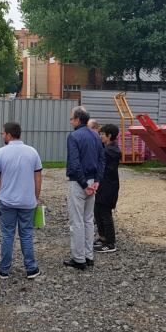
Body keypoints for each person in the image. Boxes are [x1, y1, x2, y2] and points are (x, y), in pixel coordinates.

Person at [0, 122, 42, 280]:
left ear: (8, 134)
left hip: (6, 201)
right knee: (26, 234)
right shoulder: (32, 152)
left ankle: (4, 269)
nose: (2, 136)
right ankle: (31, 268)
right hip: (27, 201)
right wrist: (36, 196)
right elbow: (38, 177)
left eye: (3, 133)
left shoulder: (0, 153)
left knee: (7, 235)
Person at [64, 106, 105, 270]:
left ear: (77, 119)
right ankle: (89, 256)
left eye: (72, 118)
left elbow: (74, 163)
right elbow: (102, 160)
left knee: (77, 221)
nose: (71, 121)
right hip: (92, 182)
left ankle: (79, 258)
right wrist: (96, 181)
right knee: (88, 220)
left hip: (78, 182)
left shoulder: (73, 136)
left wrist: (82, 183)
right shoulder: (96, 136)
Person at [94, 124, 121, 253]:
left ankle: (110, 243)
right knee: (97, 210)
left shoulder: (112, 150)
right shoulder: (107, 148)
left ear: (109, 136)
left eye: (102, 135)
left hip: (109, 186)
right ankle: (102, 237)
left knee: (105, 213)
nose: (100, 137)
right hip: (103, 185)